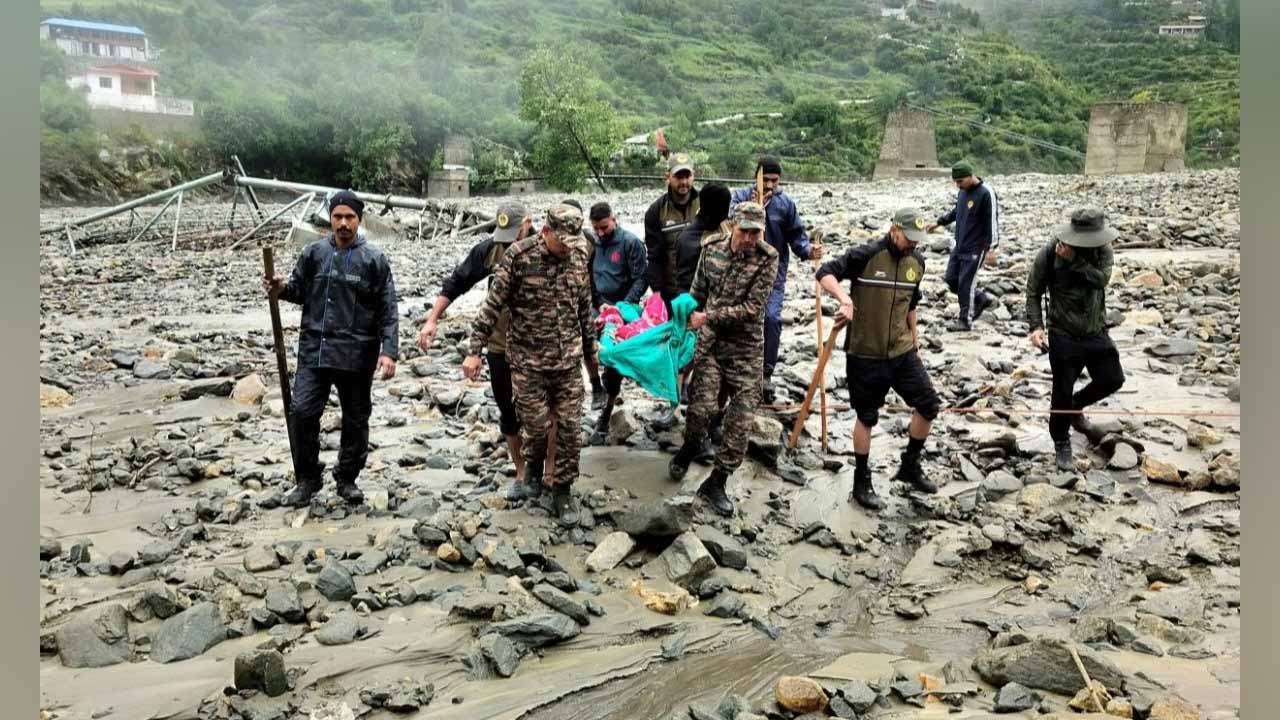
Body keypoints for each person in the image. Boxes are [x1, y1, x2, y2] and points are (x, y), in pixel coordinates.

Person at [262, 190, 399, 508]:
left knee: (355, 418)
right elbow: (297, 290)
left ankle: (347, 478)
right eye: (338, 217)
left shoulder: (374, 261)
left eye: (349, 217)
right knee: (303, 412)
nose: (343, 223)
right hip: (316, 350)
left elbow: (387, 309)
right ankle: (308, 478)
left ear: (359, 221)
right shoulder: (313, 254)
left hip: (357, 354)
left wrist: (389, 352)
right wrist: (280, 288)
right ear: (330, 218)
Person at [464, 204, 594, 526]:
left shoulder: (578, 256)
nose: (567, 248)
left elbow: (584, 309)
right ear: (546, 232)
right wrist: (474, 350)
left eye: (572, 242)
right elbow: (492, 305)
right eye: (561, 241)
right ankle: (533, 473)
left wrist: (592, 354)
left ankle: (562, 491)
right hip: (528, 362)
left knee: (570, 429)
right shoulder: (519, 257)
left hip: (567, 362)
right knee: (535, 427)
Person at [815, 208, 942, 511]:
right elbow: (825, 274)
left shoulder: (917, 263)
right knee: (867, 416)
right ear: (894, 229)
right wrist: (845, 300)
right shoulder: (867, 255)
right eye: (908, 238)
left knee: (928, 405)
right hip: (865, 353)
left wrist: (915, 335)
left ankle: (910, 465)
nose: (912, 244)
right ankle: (862, 480)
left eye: (917, 240)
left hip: (902, 351)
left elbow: (911, 303)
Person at [667, 202, 779, 517]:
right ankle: (690, 446)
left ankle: (718, 481)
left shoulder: (767, 258)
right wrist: (682, 314)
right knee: (701, 411)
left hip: (745, 349)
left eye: (755, 232)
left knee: (741, 422)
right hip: (712, 346)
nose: (748, 238)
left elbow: (753, 309)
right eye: (744, 231)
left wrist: (707, 317)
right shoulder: (711, 249)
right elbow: (697, 290)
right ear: (732, 226)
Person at [417, 201, 532, 498]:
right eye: (503, 238)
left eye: (513, 237)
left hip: (536, 344)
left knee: (541, 408)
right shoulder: (489, 250)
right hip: (499, 342)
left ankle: (547, 468)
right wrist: (432, 319)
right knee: (506, 405)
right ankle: (520, 470)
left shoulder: (544, 249)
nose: (507, 245)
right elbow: (457, 282)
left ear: (528, 224)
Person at [1024, 207, 1125, 471]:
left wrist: (1075, 261)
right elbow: (1033, 290)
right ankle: (1061, 442)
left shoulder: (1103, 250)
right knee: (1061, 391)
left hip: (1095, 331)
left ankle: (1076, 406)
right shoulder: (1050, 252)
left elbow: (1101, 280)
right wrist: (1036, 326)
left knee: (1113, 379)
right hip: (1063, 334)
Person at [729, 156, 822, 404]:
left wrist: (808, 250)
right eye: (766, 180)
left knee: (770, 318)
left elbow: (797, 236)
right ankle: (734, 371)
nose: (770, 185)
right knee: (739, 318)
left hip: (774, 272)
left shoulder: (785, 204)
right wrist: (750, 207)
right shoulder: (740, 198)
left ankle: (765, 374)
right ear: (756, 177)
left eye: (775, 180)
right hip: (741, 269)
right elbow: (729, 224)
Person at [644, 152, 701, 430]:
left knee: (698, 345)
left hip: (701, 288)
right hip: (672, 290)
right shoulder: (656, 212)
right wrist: (656, 292)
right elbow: (653, 255)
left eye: (687, 175)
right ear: (668, 176)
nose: (684, 181)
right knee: (675, 346)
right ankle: (673, 403)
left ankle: (688, 386)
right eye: (679, 175)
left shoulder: (705, 204)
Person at [586, 201, 648, 444]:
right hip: (596, 305)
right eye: (596, 229)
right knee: (583, 342)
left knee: (614, 363)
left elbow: (641, 278)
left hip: (623, 308)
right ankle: (595, 386)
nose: (601, 233)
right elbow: (587, 277)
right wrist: (599, 301)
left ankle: (606, 412)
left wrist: (622, 306)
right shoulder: (592, 245)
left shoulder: (630, 243)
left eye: (604, 227)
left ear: (615, 219)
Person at [926, 161, 1000, 332]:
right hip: (960, 245)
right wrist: (938, 223)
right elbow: (956, 212)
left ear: (970, 176)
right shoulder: (963, 192)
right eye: (956, 182)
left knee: (966, 284)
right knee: (952, 279)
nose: (958, 185)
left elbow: (993, 222)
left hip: (976, 248)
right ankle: (980, 298)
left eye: (960, 181)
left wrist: (992, 248)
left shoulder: (986, 193)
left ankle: (965, 321)